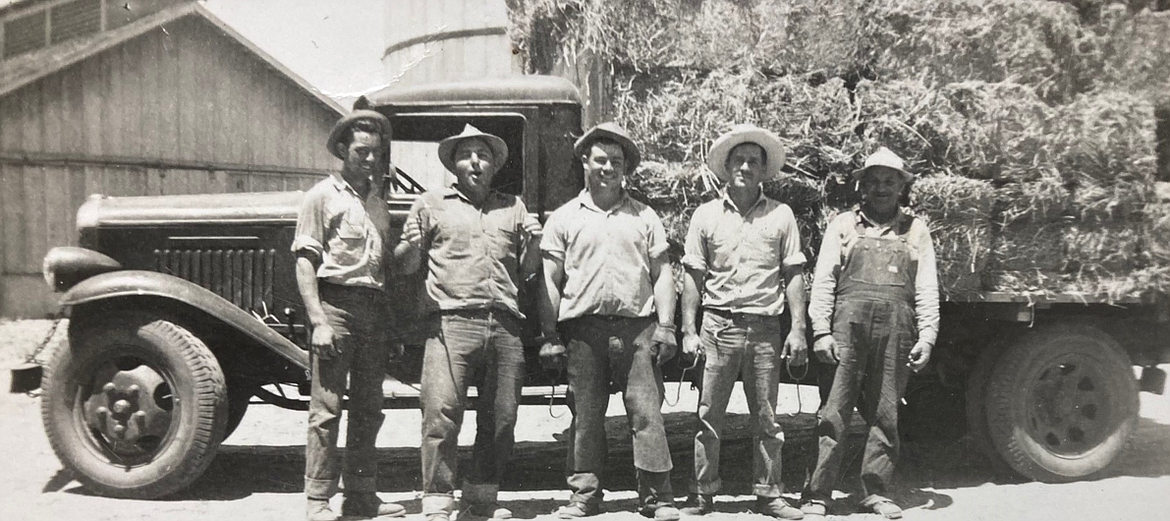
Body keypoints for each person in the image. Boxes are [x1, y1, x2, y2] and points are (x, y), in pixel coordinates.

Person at [394, 124, 543, 521]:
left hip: (505, 324)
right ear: (454, 164)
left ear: (494, 166)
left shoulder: (514, 206)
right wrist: (408, 244)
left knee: (502, 417)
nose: (476, 162)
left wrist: (536, 243)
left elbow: (528, 273)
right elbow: (408, 266)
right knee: (440, 412)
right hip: (450, 323)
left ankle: (480, 499)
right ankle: (438, 502)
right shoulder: (430, 204)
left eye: (484, 155)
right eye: (467, 154)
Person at [537, 122, 681, 521]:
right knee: (586, 414)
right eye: (600, 159)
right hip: (583, 332)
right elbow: (550, 278)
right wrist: (549, 335)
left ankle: (657, 496)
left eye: (616, 161)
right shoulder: (565, 218)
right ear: (585, 161)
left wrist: (666, 326)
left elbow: (662, 272)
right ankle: (584, 494)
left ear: (625, 167)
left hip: (637, 329)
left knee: (646, 410)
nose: (608, 167)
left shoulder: (644, 216)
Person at [800, 147, 939, 520]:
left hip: (896, 331)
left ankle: (876, 492)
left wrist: (927, 336)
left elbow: (927, 288)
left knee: (886, 411)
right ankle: (818, 493)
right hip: (847, 328)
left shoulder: (916, 230)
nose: (881, 188)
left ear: (901, 188)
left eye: (889, 182)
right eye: (874, 181)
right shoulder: (843, 225)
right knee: (834, 411)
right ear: (862, 186)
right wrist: (820, 332)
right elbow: (824, 282)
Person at [678, 124, 808, 519]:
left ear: (763, 170)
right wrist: (687, 329)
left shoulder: (781, 215)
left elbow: (795, 275)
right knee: (708, 415)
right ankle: (703, 493)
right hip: (717, 327)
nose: (746, 167)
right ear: (727, 167)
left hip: (766, 329)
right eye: (739, 160)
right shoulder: (705, 215)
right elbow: (692, 277)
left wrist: (798, 328)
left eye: (754, 161)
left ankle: (769, 494)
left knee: (767, 417)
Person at [292, 110, 406, 521]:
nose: (370, 159)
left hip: (372, 312)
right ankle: (318, 501)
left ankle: (361, 496)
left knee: (369, 409)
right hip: (335, 308)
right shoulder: (321, 196)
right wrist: (319, 320)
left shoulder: (378, 201)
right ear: (342, 150)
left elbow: (382, 269)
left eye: (377, 152)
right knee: (326, 408)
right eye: (361, 151)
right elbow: (305, 262)